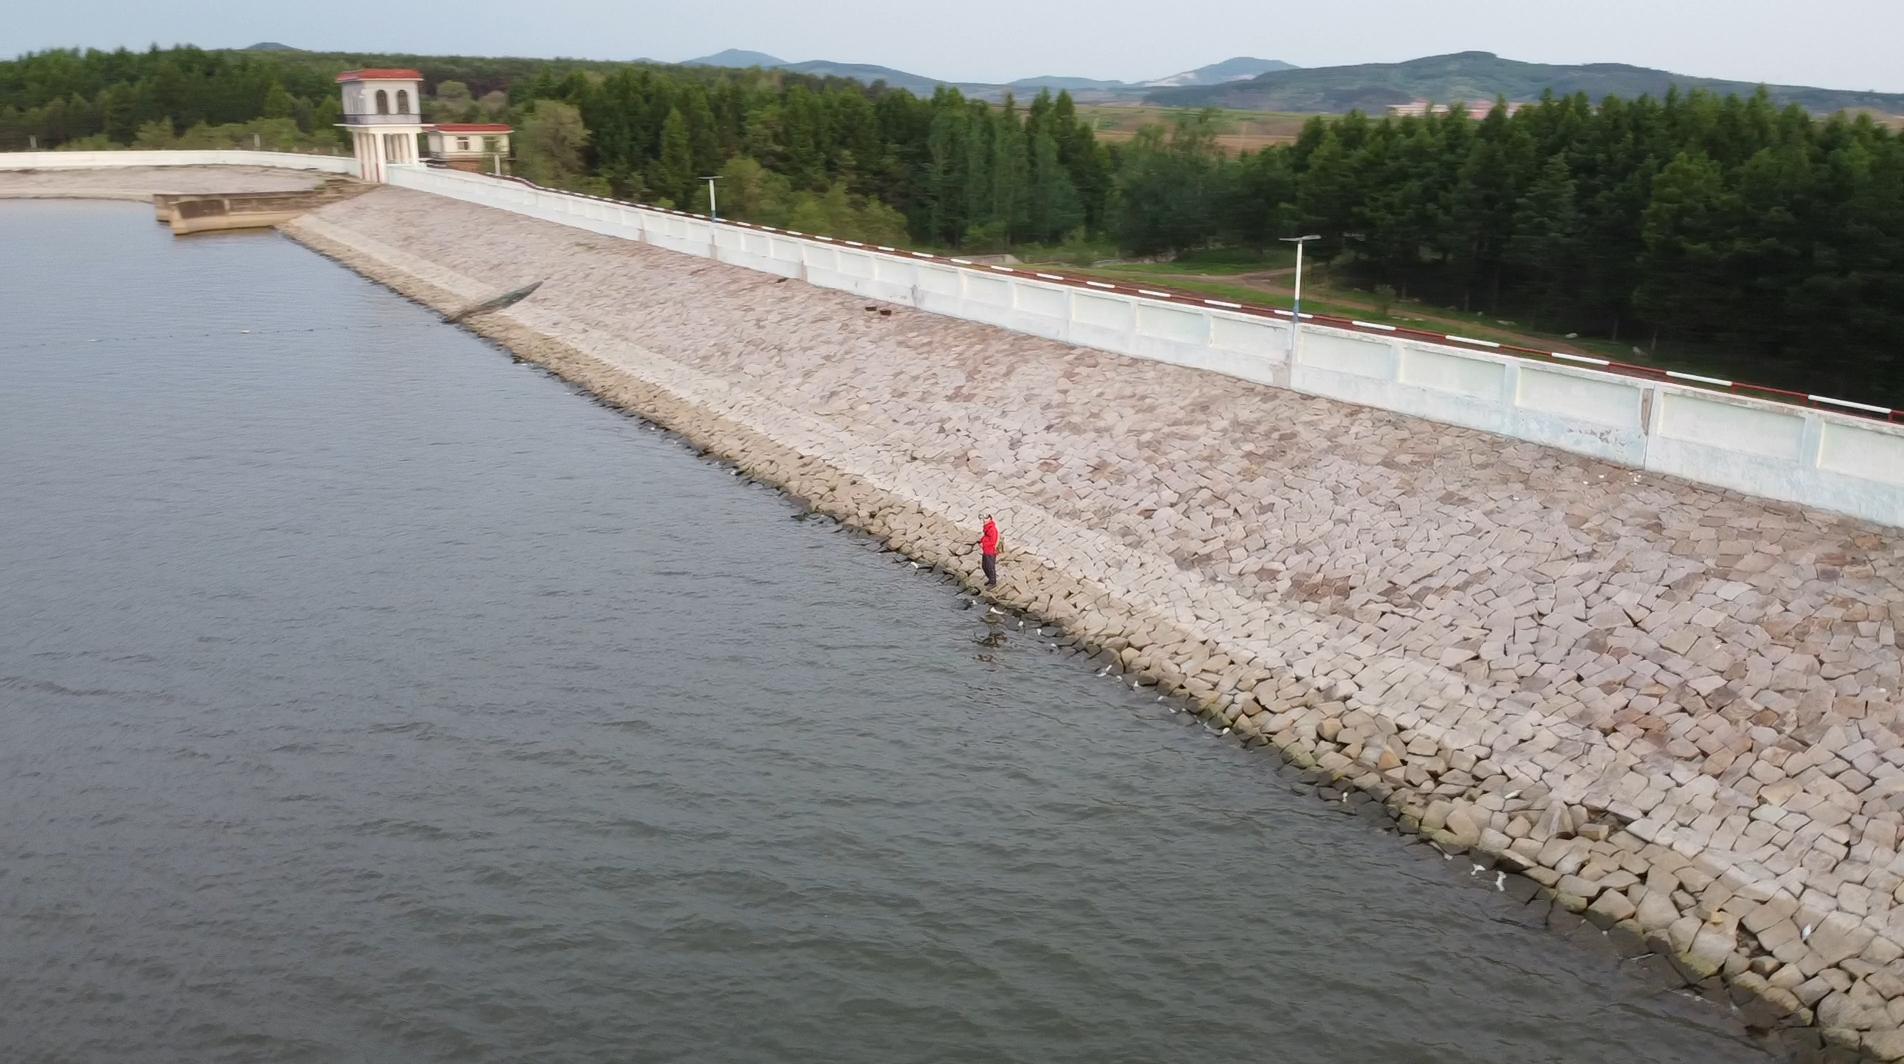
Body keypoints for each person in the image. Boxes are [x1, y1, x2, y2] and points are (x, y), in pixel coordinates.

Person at [979, 515, 1000, 587]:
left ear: (990, 519)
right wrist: (981, 541)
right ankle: (990, 579)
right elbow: (986, 537)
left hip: (990, 551)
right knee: (984, 566)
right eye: (984, 518)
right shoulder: (988, 527)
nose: (984, 520)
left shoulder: (992, 529)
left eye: (986, 518)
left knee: (990, 567)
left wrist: (983, 544)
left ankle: (993, 582)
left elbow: (992, 541)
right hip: (986, 550)